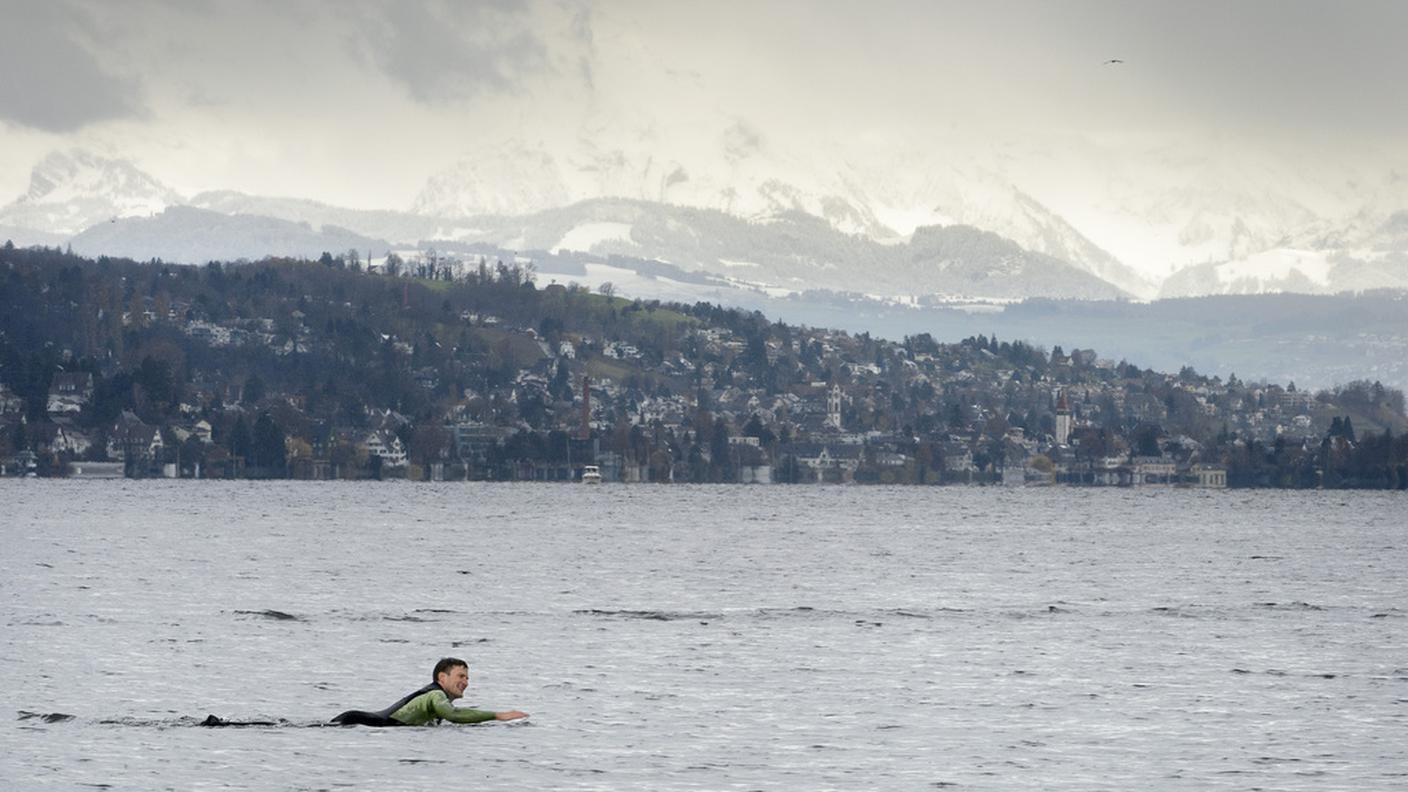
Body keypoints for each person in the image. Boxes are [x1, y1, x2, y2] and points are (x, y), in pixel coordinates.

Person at [331, 657, 528, 726]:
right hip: (357, 722)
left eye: (467, 678)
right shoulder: (436, 695)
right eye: (461, 676)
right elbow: (453, 715)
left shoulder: (437, 697)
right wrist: (498, 715)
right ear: (442, 678)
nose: (466, 682)